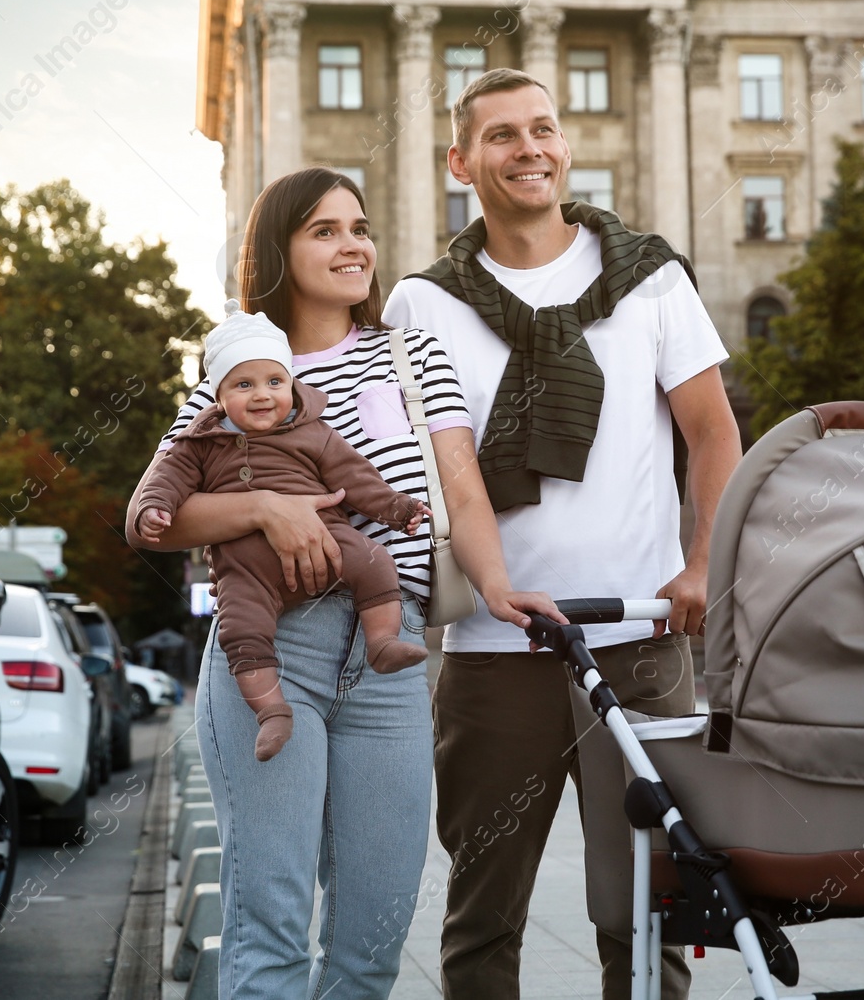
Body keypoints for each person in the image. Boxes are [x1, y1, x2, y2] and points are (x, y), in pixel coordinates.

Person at [126, 166, 559, 1000]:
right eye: (325, 229)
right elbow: (154, 515)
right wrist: (263, 506)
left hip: (389, 660)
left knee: (372, 941)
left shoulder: (410, 354)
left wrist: (497, 586)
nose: (353, 244)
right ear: (279, 249)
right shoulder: (240, 371)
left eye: (359, 227)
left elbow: (460, 487)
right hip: (272, 651)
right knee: (273, 930)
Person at [383, 68, 744, 1000]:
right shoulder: (424, 304)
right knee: (482, 919)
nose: (529, 148)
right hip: (493, 652)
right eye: (502, 135)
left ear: (566, 145)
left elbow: (713, 432)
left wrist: (706, 561)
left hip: (641, 642)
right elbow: (445, 472)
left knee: (646, 911)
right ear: (461, 161)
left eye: (542, 128)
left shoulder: (650, 277)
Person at [129, 301, 431, 761]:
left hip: (328, 542)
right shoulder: (199, 444)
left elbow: (357, 479)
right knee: (241, 630)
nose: (262, 395)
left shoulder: (314, 433)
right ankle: (272, 711)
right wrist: (155, 508)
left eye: (275, 382)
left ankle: (383, 642)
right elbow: (165, 482)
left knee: (374, 561)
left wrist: (398, 508)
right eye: (243, 385)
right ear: (218, 396)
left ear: (292, 383)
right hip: (246, 572)